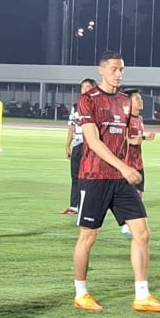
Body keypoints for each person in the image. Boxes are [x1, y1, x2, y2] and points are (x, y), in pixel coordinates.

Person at [72, 50, 160, 313]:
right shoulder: (87, 99)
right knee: (88, 237)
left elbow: (126, 140)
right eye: (114, 69)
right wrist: (124, 167)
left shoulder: (125, 102)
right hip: (95, 177)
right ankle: (81, 293)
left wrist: (131, 166)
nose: (119, 73)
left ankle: (142, 296)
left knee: (142, 233)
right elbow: (93, 142)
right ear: (101, 70)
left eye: (122, 69)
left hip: (120, 179)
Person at [119, 88, 155, 236]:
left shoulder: (139, 119)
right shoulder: (124, 119)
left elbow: (137, 139)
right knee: (130, 196)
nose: (141, 101)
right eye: (138, 99)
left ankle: (131, 223)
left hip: (138, 163)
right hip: (127, 164)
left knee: (139, 194)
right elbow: (126, 139)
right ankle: (126, 225)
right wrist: (142, 138)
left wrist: (143, 137)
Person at [62, 78, 97, 215]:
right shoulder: (76, 107)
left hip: (91, 146)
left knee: (89, 178)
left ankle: (88, 205)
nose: (85, 90)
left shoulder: (98, 106)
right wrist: (67, 145)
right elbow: (71, 127)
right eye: (83, 87)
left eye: (88, 87)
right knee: (75, 177)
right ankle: (73, 206)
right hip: (78, 144)